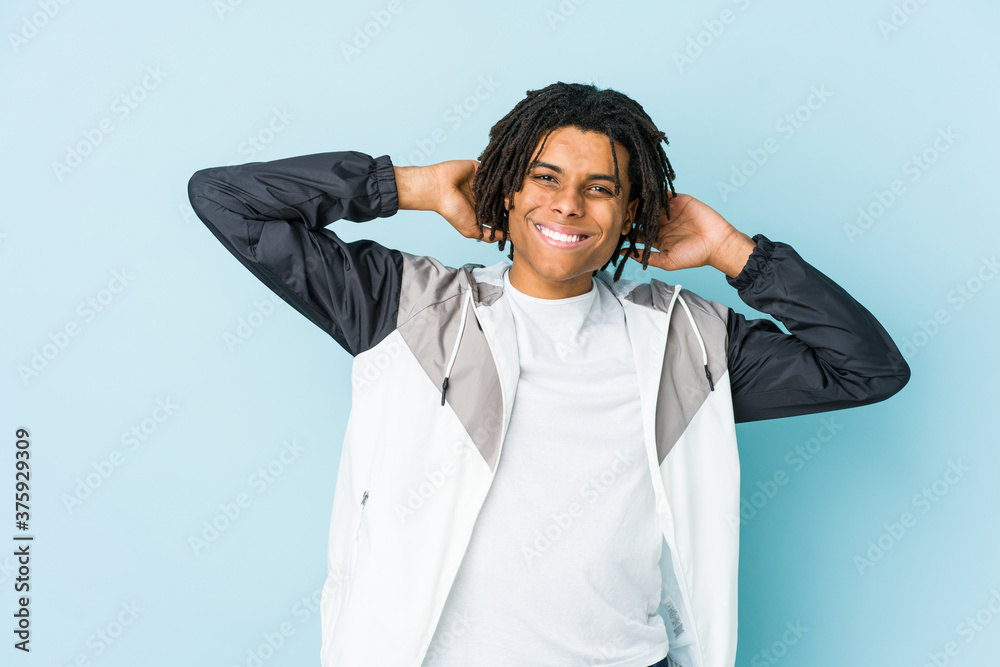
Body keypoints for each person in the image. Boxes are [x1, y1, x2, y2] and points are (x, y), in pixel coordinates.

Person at [187, 82, 910, 667]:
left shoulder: (685, 342)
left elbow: (867, 369)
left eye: (600, 189)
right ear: (506, 189)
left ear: (634, 212)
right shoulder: (405, 307)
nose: (567, 204)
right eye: (545, 177)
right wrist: (410, 184)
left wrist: (732, 250)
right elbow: (227, 200)